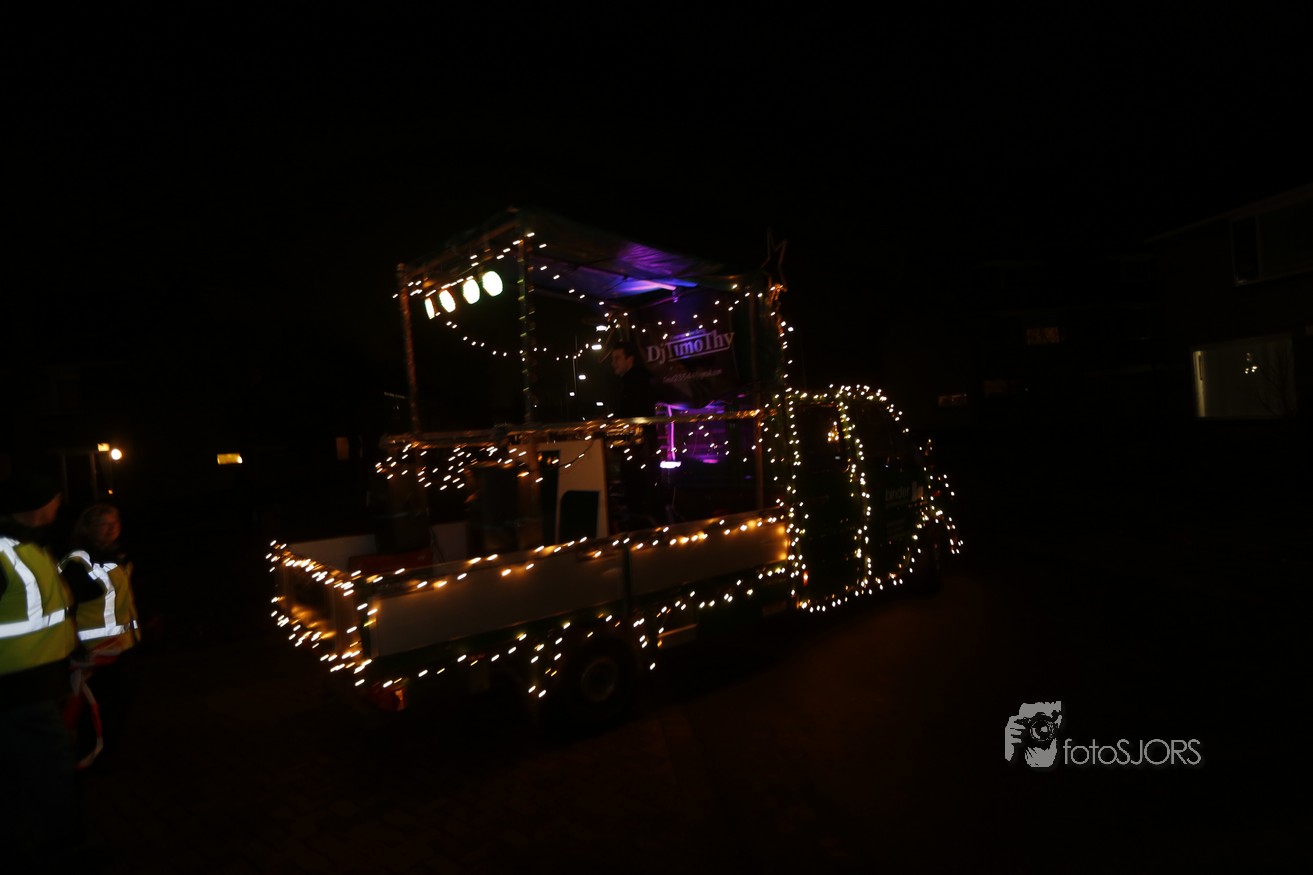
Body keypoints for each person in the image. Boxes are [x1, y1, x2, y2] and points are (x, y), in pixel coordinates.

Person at [0, 469, 86, 866]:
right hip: (17, 691)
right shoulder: (6, 550)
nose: (59, 504)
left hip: (37, 682)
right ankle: (64, 851)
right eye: (55, 497)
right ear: (37, 504)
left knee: (22, 772)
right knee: (51, 771)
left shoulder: (31, 544)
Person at [60, 502, 142, 761]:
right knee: (96, 707)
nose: (111, 529)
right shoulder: (79, 562)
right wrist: (74, 645)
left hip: (120, 646)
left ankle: (109, 753)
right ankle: (94, 756)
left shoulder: (118, 555)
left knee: (118, 704)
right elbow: (66, 607)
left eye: (114, 523)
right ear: (88, 528)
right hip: (93, 652)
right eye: (103, 525)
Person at [608, 340, 664, 527]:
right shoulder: (636, 381)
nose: (613, 363)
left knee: (637, 488)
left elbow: (633, 412)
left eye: (617, 358)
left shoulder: (633, 384)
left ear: (629, 359)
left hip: (638, 447)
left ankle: (640, 524)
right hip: (640, 446)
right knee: (642, 488)